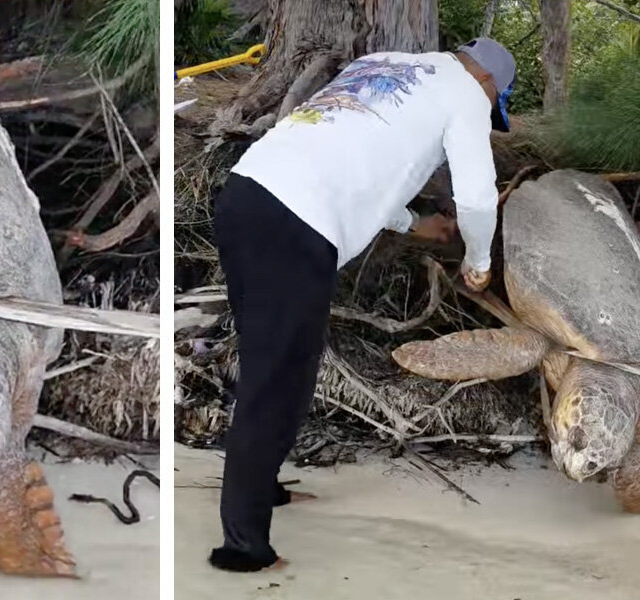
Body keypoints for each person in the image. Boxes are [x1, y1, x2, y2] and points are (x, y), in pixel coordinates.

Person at [208, 38, 517, 572]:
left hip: (247, 194)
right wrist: (478, 260)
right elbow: (475, 197)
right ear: (488, 84)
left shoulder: (384, 63)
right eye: (494, 107)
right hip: (295, 223)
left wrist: (414, 223)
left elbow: (356, 164)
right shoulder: (466, 95)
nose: (486, 112)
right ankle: (242, 549)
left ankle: (264, 488)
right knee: (274, 379)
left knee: (287, 366)